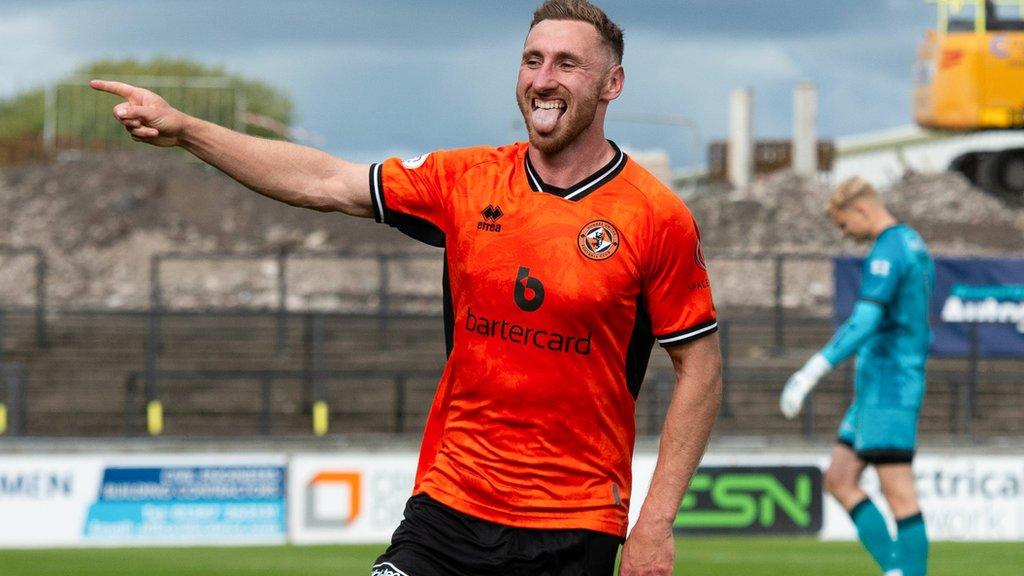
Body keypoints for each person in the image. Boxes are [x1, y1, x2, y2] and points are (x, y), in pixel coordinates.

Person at [92, 1, 721, 574]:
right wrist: (187, 131)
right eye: (532, 60)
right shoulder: (467, 180)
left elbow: (700, 368)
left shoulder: (654, 216)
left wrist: (655, 522)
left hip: (572, 520)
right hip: (449, 501)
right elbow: (328, 182)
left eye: (566, 63)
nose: (543, 78)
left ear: (611, 83)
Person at [780, 176, 933, 576]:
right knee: (840, 477)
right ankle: (895, 568)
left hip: (890, 383)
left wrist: (813, 369)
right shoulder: (912, 242)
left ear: (862, 209)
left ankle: (907, 572)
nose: (844, 234)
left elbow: (866, 320)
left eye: (843, 223)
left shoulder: (891, 249)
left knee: (899, 493)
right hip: (876, 386)